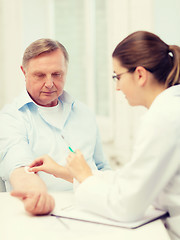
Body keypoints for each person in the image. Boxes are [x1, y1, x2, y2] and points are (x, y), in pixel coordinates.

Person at [28, 31, 180, 239]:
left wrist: (84, 176)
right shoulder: (170, 108)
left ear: (140, 75)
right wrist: (70, 172)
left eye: (117, 76)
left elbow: (125, 206)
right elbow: (129, 181)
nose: (117, 87)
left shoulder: (162, 119)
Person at [0, 38, 110, 215]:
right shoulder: (11, 117)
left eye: (57, 74)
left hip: (92, 209)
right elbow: (19, 167)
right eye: (40, 75)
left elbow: (102, 167)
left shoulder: (84, 113)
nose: (50, 83)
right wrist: (35, 194)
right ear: (24, 72)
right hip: (41, 212)